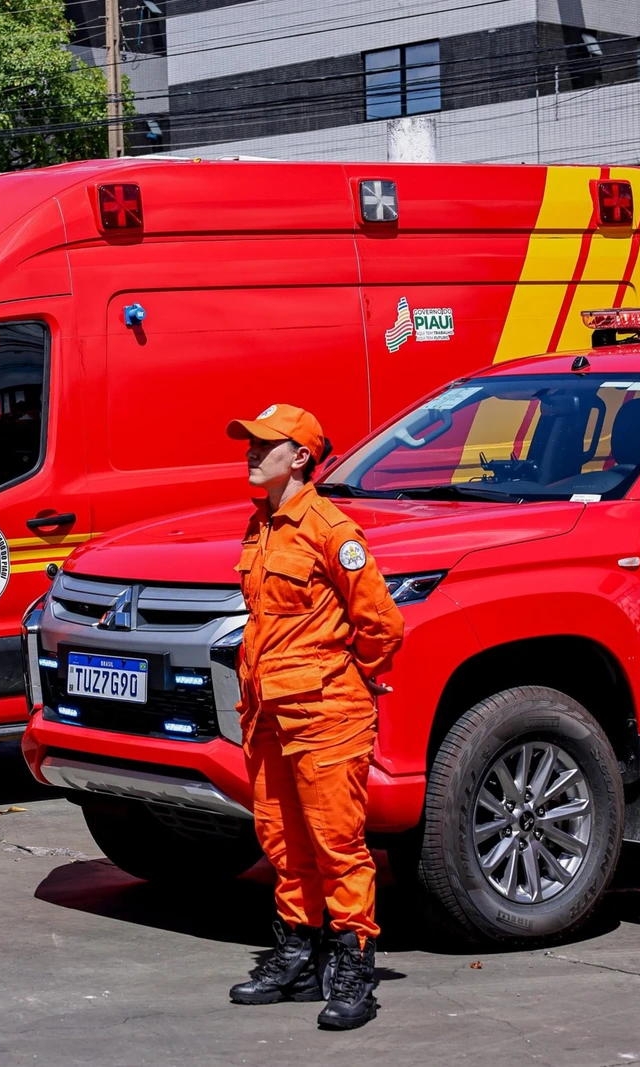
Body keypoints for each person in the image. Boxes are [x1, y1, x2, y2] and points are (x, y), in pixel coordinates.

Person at [224, 404, 404, 1030]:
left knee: (337, 844)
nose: (250, 453)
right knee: (281, 838)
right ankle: (297, 955)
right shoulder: (261, 525)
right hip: (268, 710)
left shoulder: (332, 531)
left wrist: (338, 676)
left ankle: (353, 966)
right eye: (248, 444)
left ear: (300, 457)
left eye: (264, 445)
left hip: (326, 711)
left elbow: (381, 625)